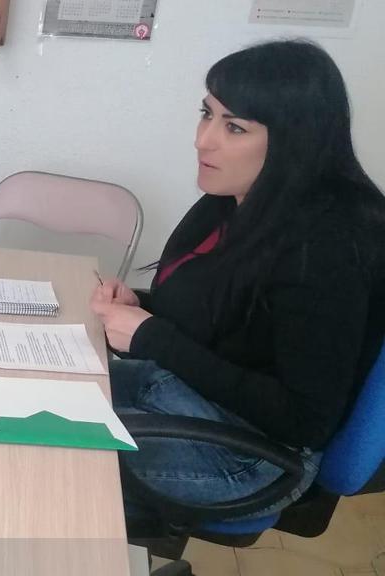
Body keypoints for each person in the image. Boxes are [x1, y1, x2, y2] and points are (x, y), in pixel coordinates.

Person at [91, 40, 385, 516]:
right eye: (206, 114)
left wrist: (152, 337)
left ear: (294, 140)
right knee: (30, 402)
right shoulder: (234, 200)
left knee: (45, 456)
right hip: (188, 396)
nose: (203, 140)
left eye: (234, 127)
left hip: (254, 455)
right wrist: (141, 309)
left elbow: (303, 420)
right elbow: (229, 317)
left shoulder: (325, 247)